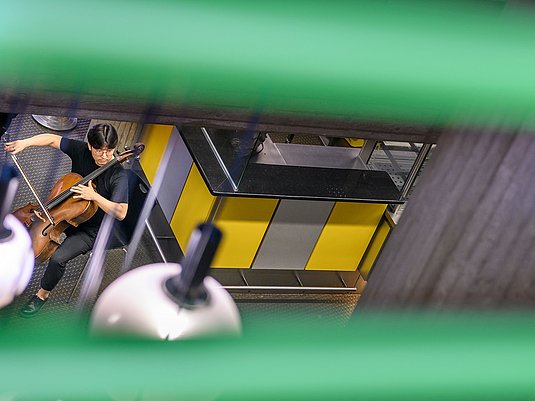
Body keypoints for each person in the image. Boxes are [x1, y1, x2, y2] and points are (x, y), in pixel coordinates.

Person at [4, 123, 129, 317]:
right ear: (90, 146)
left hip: (91, 229)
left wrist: (93, 196)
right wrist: (25, 142)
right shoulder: (81, 151)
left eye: (110, 151)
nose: (105, 156)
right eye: (99, 151)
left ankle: (42, 295)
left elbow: (121, 212)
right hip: (64, 211)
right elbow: (53, 139)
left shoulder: (118, 175)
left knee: (58, 258)